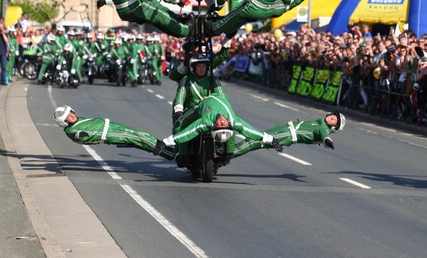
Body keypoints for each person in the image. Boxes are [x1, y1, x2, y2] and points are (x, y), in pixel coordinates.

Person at [154, 93, 282, 160]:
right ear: (229, 125)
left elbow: (188, 132)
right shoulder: (234, 121)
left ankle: (226, 153)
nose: (222, 122)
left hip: (201, 107)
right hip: (210, 100)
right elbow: (252, 132)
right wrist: (272, 140)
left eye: (220, 125)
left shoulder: (206, 121)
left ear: (214, 126)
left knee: (182, 125)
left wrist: (165, 142)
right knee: (180, 123)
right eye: (224, 125)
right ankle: (181, 154)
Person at [53, 105, 175, 160]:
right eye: (67, 116)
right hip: (109, 133)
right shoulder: (71, 130)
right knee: (139, 137)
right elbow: (77, 136)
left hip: (111, 126)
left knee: (138, 138)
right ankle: (167, 150)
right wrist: (81, 135)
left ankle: (169, 153)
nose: (72, 115)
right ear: (63, 122)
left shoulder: (76, 120)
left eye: (71, 112)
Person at [233, 111, 346, 158]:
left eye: (335, 121)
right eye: (334, 116)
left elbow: (323, 134)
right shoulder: (321, 121)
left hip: (286, 134)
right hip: (285, 131)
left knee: (255, 141)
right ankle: (226, 152)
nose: (333, 118)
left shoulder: (323, 127)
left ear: (334, 128)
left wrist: (327, 140)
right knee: (256, 139)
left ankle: (228, 153)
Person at [0, 21, 10, 85]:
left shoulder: (4, 34)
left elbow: (7, 41)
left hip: (3, 52)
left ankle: (3, 80)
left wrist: (3, 33)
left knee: (4, 67)